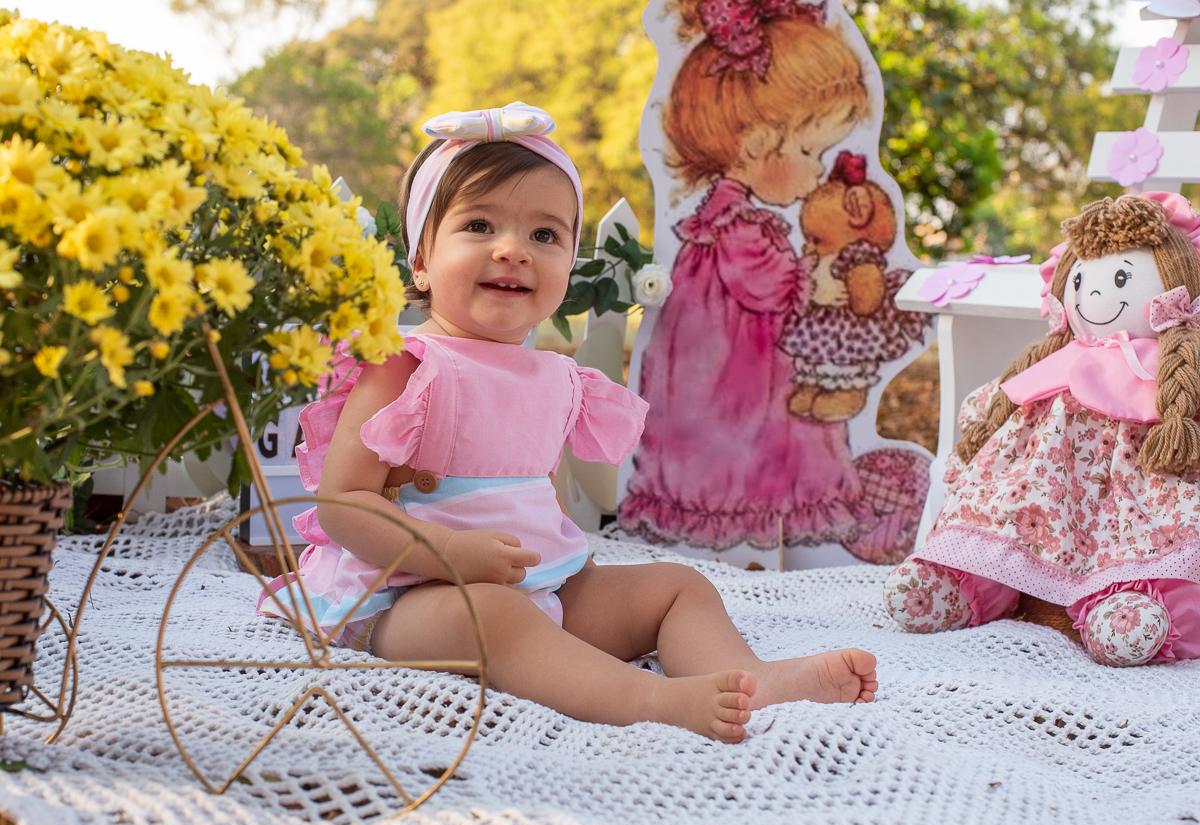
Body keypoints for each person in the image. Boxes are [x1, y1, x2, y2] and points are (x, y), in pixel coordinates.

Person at [260, 102, 878, 743]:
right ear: (420, 260)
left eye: (545, 236)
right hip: (408, 596)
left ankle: (751, 678)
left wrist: (571, 577)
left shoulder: (554, 375)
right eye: (478, 225)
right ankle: (652, 699)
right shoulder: (408, 366)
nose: (512, 251)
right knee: (497, 616)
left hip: (535, 585)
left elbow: (531, 497)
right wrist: (446, 551)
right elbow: (341, 503)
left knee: (677, 586)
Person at [884, 193, 1200, 667]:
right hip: (1047, 493)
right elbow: (1008, 395)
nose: (1093, 296)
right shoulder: (1058, 356)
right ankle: (968, 586)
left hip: (1136, 494)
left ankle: (1132, 603)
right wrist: (981, 418)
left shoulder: (1173, 366)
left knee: (1145, 542)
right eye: (1081, 280)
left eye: (1119, 279)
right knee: (1001, 506)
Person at [618, 0, 878, 552]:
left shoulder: (723, 220)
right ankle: (738, 518)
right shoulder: (736, 227)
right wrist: (815, 278)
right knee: (763, 437)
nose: (816, 173)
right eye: (809, 150)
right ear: (758, 144)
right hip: (738, 383)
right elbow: (772, 289)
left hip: (732, 370)